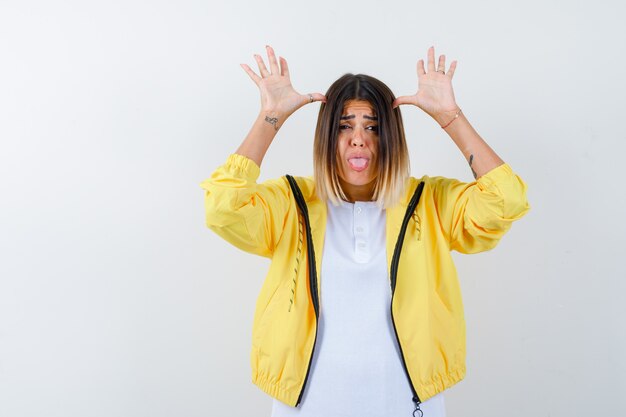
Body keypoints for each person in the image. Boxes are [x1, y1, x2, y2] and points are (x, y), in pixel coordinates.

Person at [200, 45, 530, 417]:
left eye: (373, 127)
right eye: (344, 126)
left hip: (407, 405)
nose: (359, 139)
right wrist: (270, 117)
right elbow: (222, 207)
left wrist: (450, 118)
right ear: (326, 136)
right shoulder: (291, 204)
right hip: (306, 407)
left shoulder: (429, 202)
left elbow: (506, 200)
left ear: (390, 138)